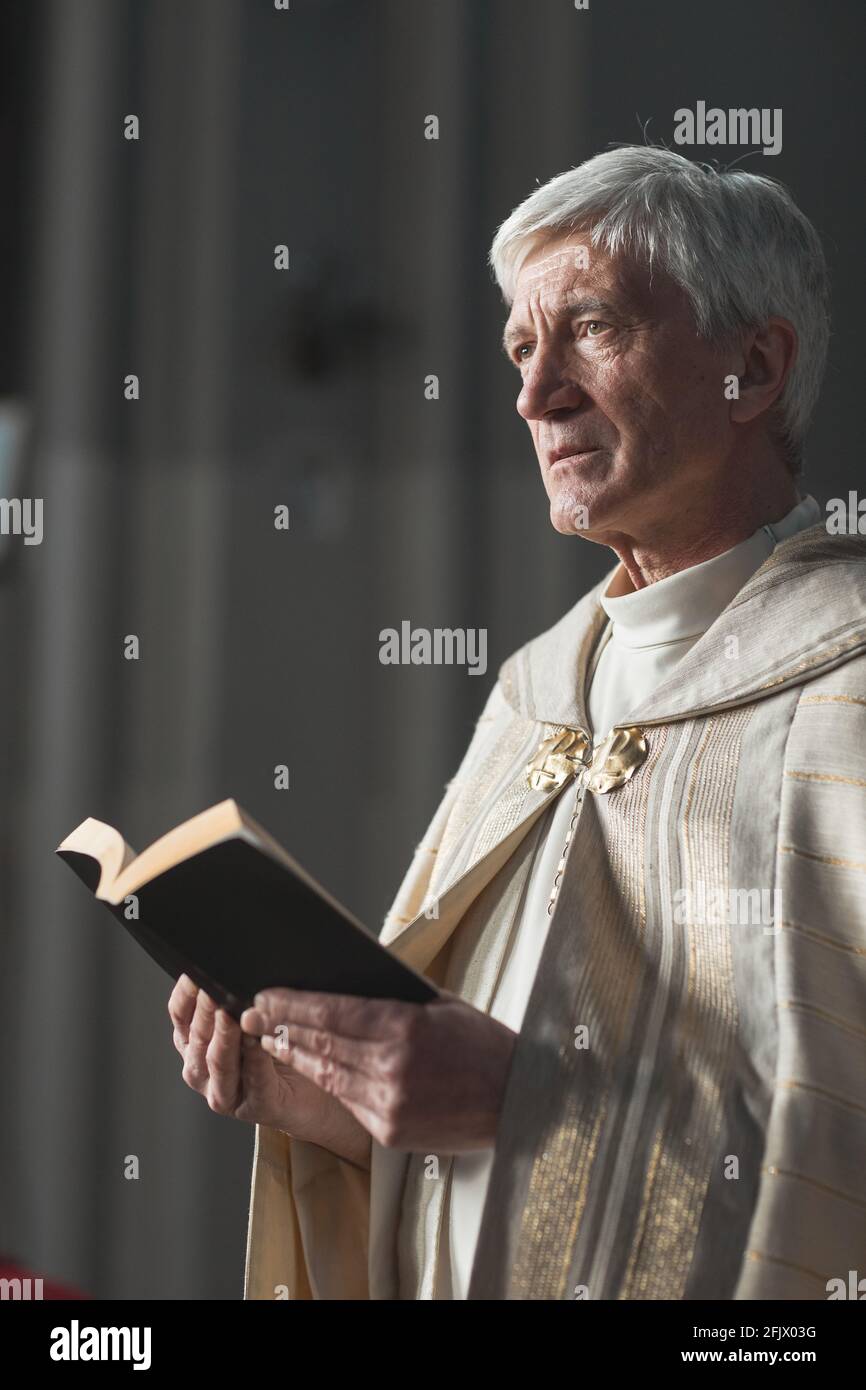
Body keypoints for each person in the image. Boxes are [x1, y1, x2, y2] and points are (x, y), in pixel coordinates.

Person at [169, 146, 866, 1300]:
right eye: (518, 349)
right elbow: (465, 1131)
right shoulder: (535, 690)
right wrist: (345, 1108)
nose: (533, 395)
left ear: (751, 364)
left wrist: (528, 1105)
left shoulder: (845, 681)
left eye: (588, 329)